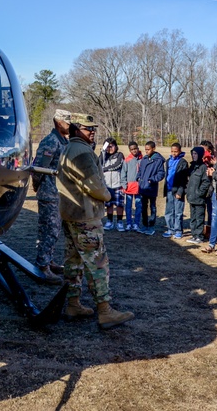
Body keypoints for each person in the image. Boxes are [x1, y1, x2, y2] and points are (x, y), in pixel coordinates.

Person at [56, 113, 134, 329]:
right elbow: (94, 187)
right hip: (86, 217)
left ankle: (73, 304)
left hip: (71, 215)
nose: (92, 132)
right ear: (75, 129)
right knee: (97, 263)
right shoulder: (82, 151)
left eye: (93, 128)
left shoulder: (69, 148)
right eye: (87, 128)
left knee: (73, 261)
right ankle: (105, 311)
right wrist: (108, 196)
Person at [32, 109, 70, 281]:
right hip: (49, 193)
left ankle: (49, 260)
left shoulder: (62, 141)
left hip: (58, 193)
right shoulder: (51, 141)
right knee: (49, 229)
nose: (69, 125)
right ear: (58, 122)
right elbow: (38, 168)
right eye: (67, 122)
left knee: (53, 229)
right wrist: (37, 186)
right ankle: (43, 265)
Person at [136, 141, 166, 235]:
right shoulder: (144, 159)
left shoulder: (158, 160)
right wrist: (138, 177)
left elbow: (161, 174)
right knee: (143, 207)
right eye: (145, 149)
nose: (146, 151)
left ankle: (151, 226)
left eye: (148, 149)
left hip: (151, 187)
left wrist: (152, 180)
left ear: (153, 149)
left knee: (152, 207)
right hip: (143, 187)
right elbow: (140, 170)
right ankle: (144, 225)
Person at [163, 143, 189, 238]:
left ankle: (178, 230)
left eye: (176, 151)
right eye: (172, 151)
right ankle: (170, 229)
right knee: (169, 211)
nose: (174, 153)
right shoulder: (168, 161)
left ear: (180, 151)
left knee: (178, 212)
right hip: (169, 190)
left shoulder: (183, 162)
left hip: (178, 191)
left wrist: (180, 191)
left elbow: (184, 180)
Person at [184, 146, 210, 244]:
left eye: (195, 154)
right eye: (193, 154)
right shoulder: (192, 166)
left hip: (199, 197)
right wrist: (187, 190)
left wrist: (200, 193)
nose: (194, 156)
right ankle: (194, 235)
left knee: (199, 217)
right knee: (193, 217)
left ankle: (199, 236)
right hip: (191, 196)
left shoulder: (203, 167)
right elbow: (188, 181)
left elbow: (206, 182)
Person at [99, 138, 125, 231]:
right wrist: (103, 151)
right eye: (108, 146)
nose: (110, 148)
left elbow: (117, 165)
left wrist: (105, 168)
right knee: (109, 204)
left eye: (111, 146)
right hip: (107, 185)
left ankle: (119, 221)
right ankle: (109, 221)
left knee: (119, 204)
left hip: (117, 184)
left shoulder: (119, 155)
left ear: (116, 146)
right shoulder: (104, 156)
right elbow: (99, 164)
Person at [121, 142, 143, 233]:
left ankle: (136, 224)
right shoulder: (127, 160)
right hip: (129, 187)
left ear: (138, 148)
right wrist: (124, 184)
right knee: (128, 206)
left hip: (139, 187)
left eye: (135, 148)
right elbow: (123, 173)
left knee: (138, 206)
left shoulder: (143, 159)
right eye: (132, 149)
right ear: (130, 150)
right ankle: (129, 223)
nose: (134, 150)